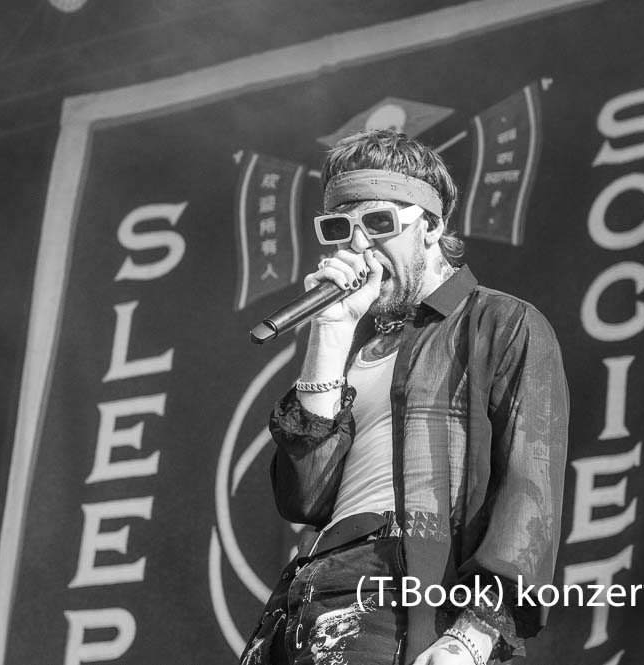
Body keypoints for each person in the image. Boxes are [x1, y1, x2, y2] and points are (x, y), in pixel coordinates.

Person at [241, 129, 568, 665]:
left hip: (400, 601)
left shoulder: (499, 322)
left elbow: (529, 491)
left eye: (379, 223)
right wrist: (329, 333)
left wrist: (473, 636)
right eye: (341, 229)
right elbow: (302, 499)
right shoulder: (352, 350)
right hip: (304, 605)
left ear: (433, 226)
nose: (360, 246)